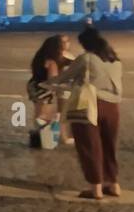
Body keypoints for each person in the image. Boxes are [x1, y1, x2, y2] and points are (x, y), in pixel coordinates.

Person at [45, 27, 123, 200]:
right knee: (109, 145)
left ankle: (96, 188)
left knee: (90, 145)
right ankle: (113, 184)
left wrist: (48, 83)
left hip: (90, 103)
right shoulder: (115, 60)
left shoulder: (86, 58)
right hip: (113, 106)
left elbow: (64, 78)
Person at [26, 35, 65, 149]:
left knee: (39, 114)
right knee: (43, 116)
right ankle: (41, 140)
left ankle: (37, 139)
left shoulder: (41, 57)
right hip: (44, 90)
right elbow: (52, 80)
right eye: (63, 43)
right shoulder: (51, 62)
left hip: (34, 86)